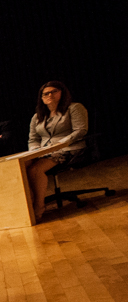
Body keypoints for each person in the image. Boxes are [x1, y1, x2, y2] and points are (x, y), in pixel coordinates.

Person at [27, 81, 90, 210]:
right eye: (46, 94)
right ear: (41, 98)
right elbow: (33, 139)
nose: (50, 95)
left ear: (62, 93)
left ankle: (39, 207)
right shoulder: (37, 117)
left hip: (68, 148)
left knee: (35, 170)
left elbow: (80, 130)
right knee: (21, 166)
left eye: (54, 91)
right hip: (44, 151)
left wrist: (61, 143)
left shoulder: (74, 108)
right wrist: (35, 150)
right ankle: (28, 205)